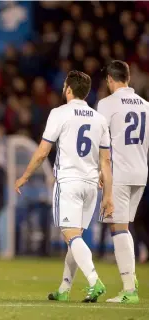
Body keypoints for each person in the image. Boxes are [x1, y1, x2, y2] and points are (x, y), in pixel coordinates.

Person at [15, 70, 114, 303]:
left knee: (71, 237)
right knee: (76, 237)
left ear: (68, 89)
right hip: (91, 186)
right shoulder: (99, 119)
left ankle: (94, 280)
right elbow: (106, 161)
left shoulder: (59, 113)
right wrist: (108, 195)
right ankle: (64, 288)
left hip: (69, 182)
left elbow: (42, 151)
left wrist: (25, 176)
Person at [97, 60, 149, 303]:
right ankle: (131, 280)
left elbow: (101, 144)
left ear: (110, 79)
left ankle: (129, 289)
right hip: (140, 172)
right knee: (124, 225)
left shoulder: (106, 104)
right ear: (127, 78)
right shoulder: (146, 106)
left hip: (119, 173)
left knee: (118, 228)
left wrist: (101, 172)